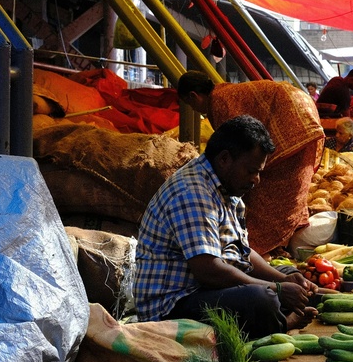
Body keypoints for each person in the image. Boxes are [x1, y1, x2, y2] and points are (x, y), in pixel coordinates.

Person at [134, 115, 318, 337]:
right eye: (252, 171)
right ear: (224, 159)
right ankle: (285, 323)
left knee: (289, 274)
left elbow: (242, 253)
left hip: (207, 291)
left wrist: (282, 280)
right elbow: (209, 271)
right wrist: (276, 290)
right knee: (262, 300)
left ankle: (279, 312)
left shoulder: (227, 188)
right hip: (173, 306)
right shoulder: (192, 193)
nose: (256, 180)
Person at [176, 71, 324, 254]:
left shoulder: (218, 101)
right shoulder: (223, 93)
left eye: (190, 104)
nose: (194, 109)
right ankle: (275, 245)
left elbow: (235, 151)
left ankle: (265, 246)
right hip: (303, 116)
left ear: (193, 96)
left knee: (270, 193)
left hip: (293, 125)